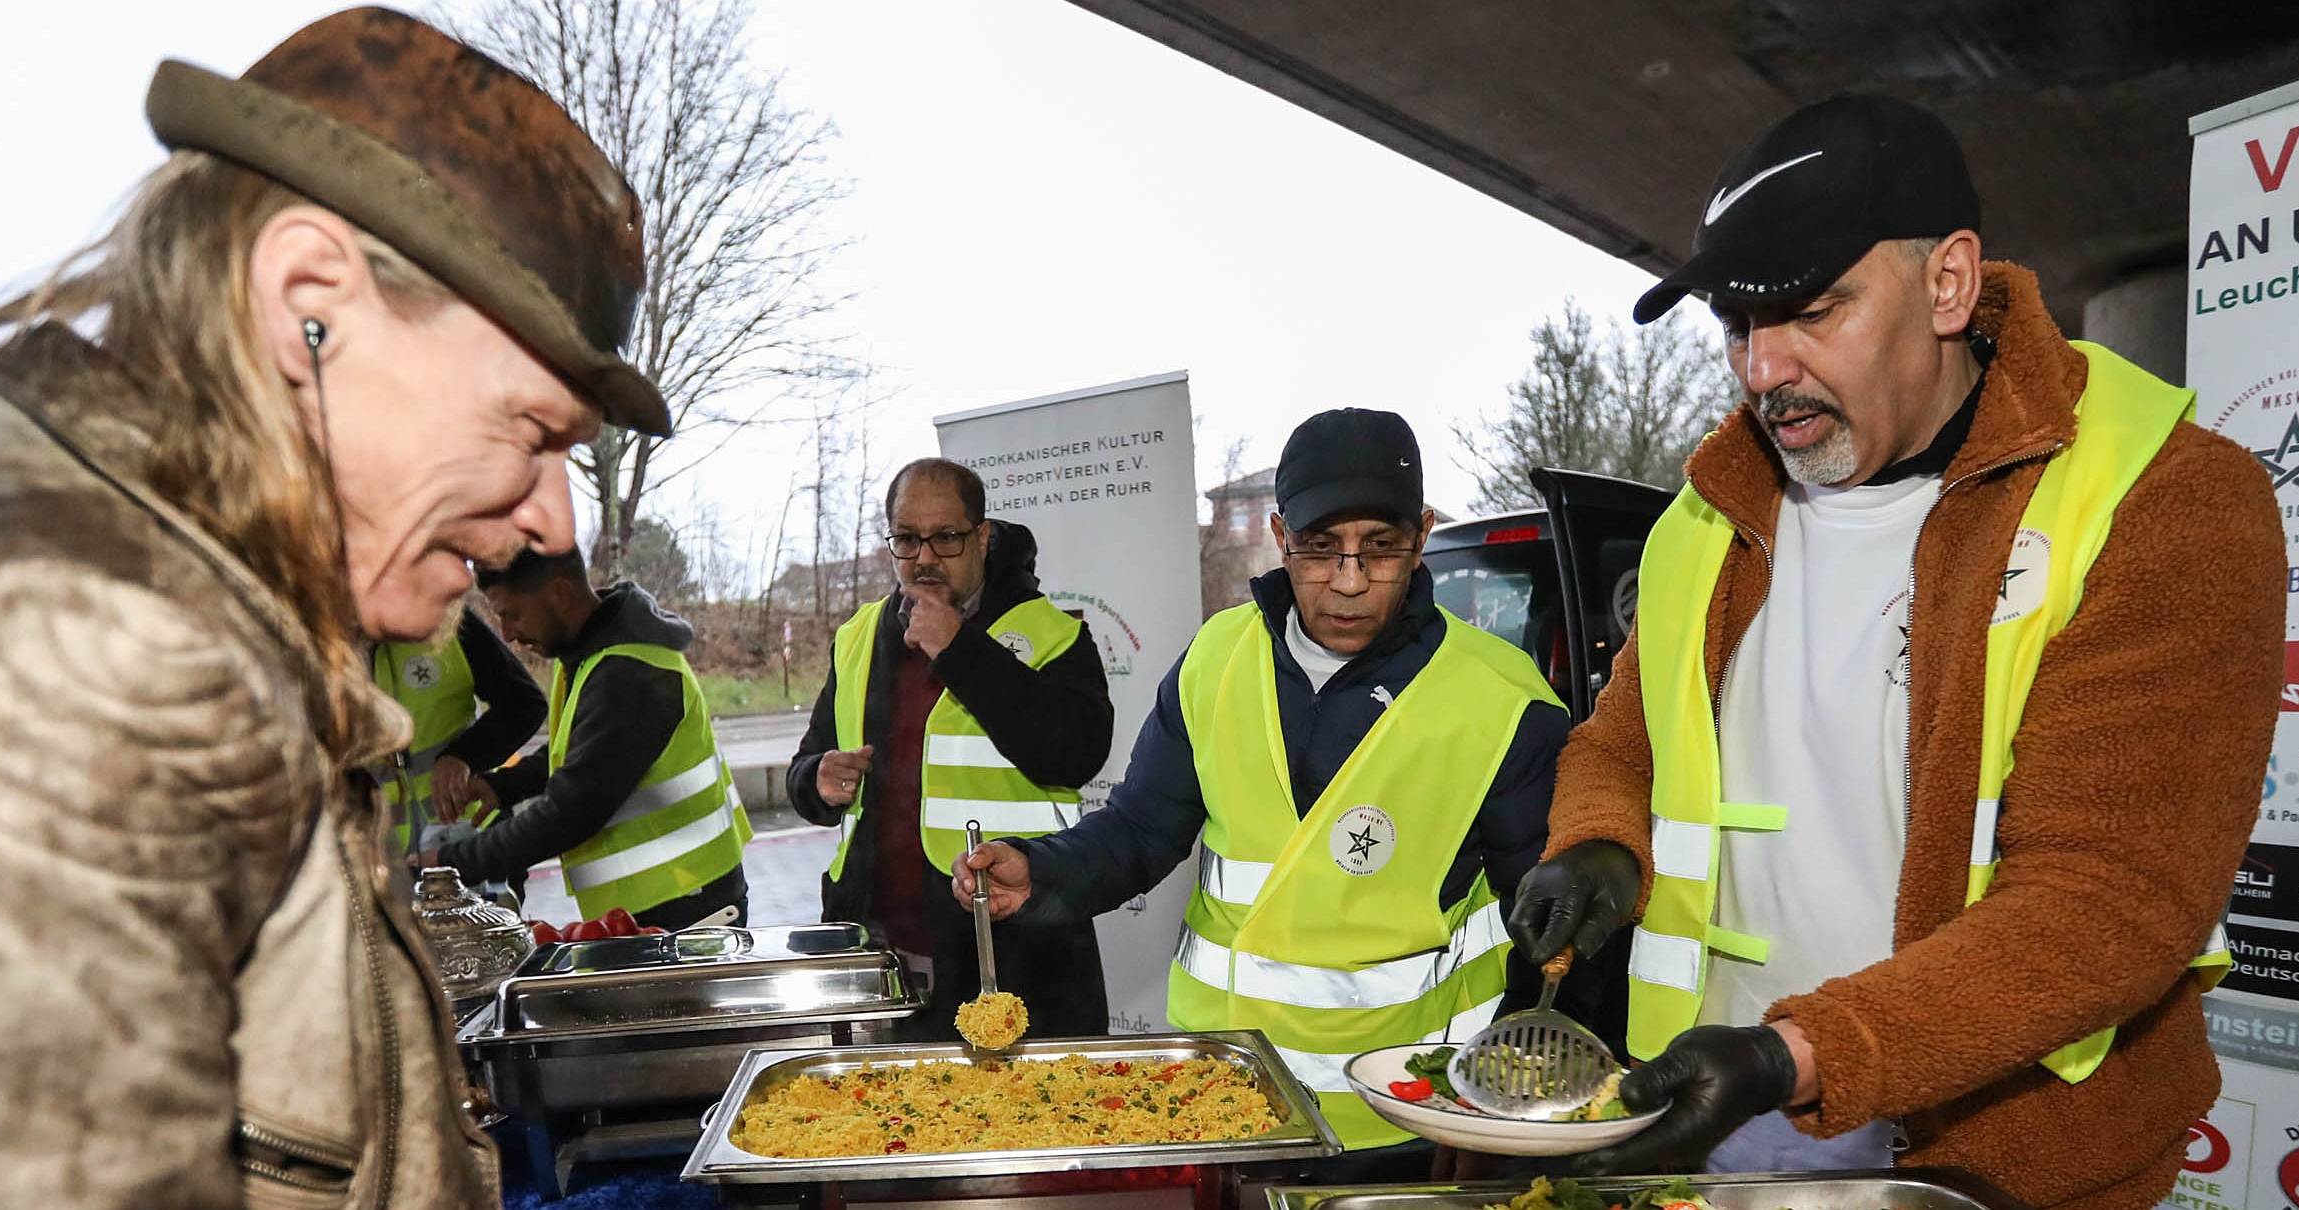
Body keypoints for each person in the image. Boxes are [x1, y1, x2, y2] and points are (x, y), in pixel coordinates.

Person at [0, 9, 667, 1205]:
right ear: (305, 301)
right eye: (533, 434)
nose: (553, 523)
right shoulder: (61, 647)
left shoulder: (170, 617)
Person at [1506, 96, 2277, 1205]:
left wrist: (1796, 1055)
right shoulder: (1705, 516)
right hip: (1707, 1138)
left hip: (1996, 1171)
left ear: (1948, 283)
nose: (1762, 368)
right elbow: (1621, 742)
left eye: (1814, 311)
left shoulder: (2164, 499)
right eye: (1735, 324)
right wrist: (1598, 846)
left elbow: (2108, 901)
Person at [955, 410, 1575, 1162]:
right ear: (1280, 537)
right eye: (1320, 549)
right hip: (1222, 1095)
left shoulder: (1504, 700)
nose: (1348, 582)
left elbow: (1548, 930)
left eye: (1380, 549)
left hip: (1409, 1111)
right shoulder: (1216, 657)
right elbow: (1141, 829)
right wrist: (1041, 868)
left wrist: (1502, 1119)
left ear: (1422, 533)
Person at [787, 458, 1114, 1039]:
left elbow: (1077, 753)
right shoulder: (860, 634)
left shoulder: (1051, 633)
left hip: (1009, 953)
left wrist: (960, 649)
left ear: (983, 538)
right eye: (908, 539)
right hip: (881, 959)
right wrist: (818, 779)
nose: (926, 558)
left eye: (947, 537)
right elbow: (809, 765)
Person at [425, 550, 750, 929]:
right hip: (662, 901)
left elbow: (568, 813)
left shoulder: (630, 673)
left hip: (687, 907)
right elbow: (578, 753)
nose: (507, 634)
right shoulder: (593, 656)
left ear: (560, 594)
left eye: (512, 614)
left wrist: (448, 863)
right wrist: (504, 786)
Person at [368, 607, 546, 866]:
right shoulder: (310, 646)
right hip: (372, 865)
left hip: (468, 844)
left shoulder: (445, 615)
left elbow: (524, 704)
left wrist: (463, 755)